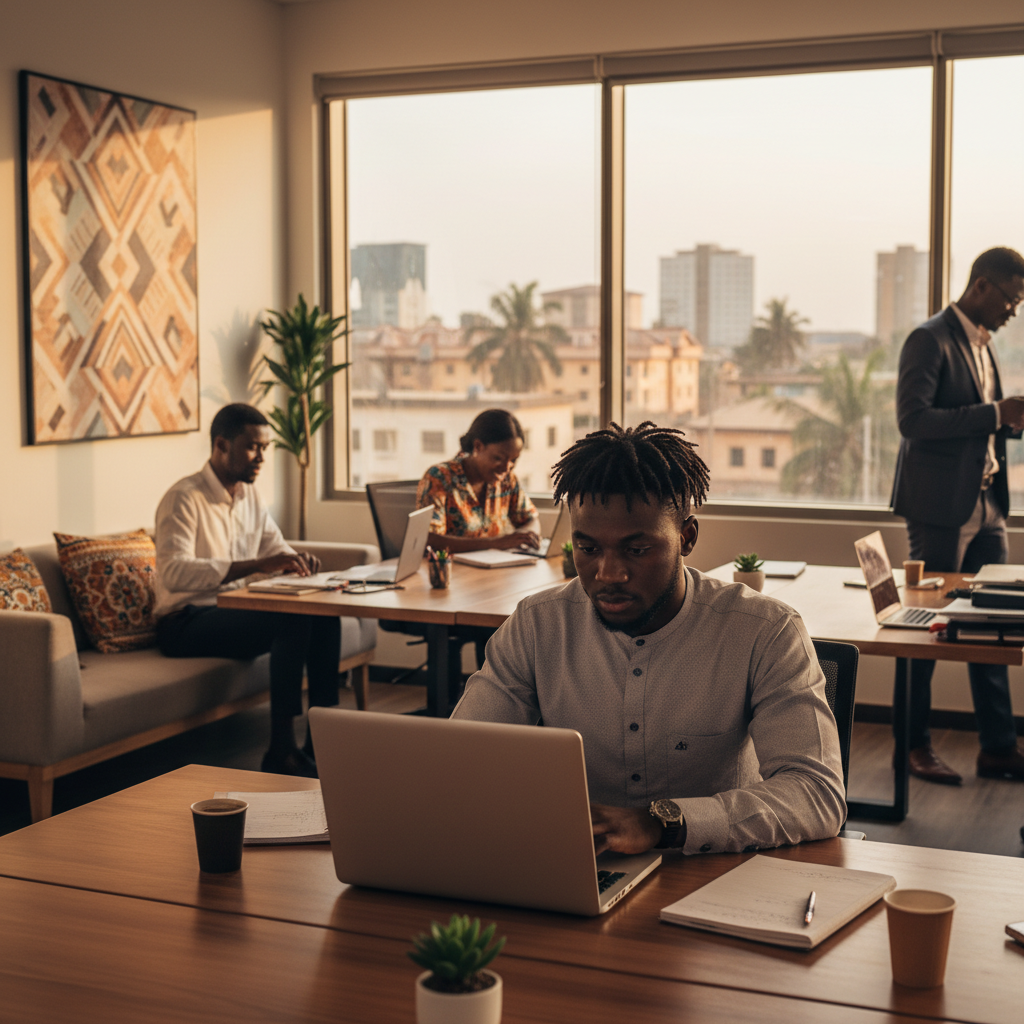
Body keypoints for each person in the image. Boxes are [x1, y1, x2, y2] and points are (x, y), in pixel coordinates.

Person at [452, 422, 845, 855]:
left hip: (716, 872)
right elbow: (463, 762)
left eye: (637, 550)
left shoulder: (765, 631)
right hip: (580, 869)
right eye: (587, 549)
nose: (608, 574)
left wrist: (662, 821)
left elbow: (817, 793)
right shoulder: (537, 625)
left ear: (687, 537)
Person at [891, 247, 1024, 786]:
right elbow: (913, 419)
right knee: (925, 631)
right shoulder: (929, 337)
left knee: (993, 626)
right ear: (982, 288)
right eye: (1012, 299)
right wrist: (996, 412)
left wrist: (1007, 422)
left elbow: (972, 424)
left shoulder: (982, 346)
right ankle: (913, 745)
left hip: (988, 507)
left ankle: (996, 747)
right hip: (941, 510)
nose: (1014, 311)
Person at [154, 403, 341, 778]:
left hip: (231, 609)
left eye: (265, 449)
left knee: (323, 614)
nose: (261, 458)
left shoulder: (249, 494)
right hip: (184, 621)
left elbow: (274, 547)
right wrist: (257, 565)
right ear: (221, 445)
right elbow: (174, 573)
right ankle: (281, 749)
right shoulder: (184, 498)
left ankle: (323, 742)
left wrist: (294, 560)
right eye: (253, 447)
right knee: (290, 622)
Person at [416, 408, 541, 553]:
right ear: (477, 446)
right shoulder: (439, 477)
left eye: (513, 460)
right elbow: (430, 540)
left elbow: (531, 519)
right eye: (498, 458)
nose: (507, 467)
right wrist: (497, 543)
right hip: (455, 571)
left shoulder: (507, 480)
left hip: (498, 570)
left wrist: (526, 538)